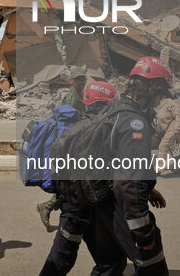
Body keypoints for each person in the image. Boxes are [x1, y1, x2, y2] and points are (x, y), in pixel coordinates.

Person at [41, 81, 123, 275]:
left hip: (77, 206)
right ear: (106, 105)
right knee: (63, 261)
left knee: (109, 260)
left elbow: (57, 172)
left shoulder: (75, 129)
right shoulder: (105, 131)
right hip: (84, 208)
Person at [107, 56, 172, 276]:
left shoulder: (115, 110)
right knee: (153, 268)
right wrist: (144, 236)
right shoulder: (135, 123)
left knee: (110, 266)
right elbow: (127, 184)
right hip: (123, 210)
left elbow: (117, 162)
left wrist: (148, 187)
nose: (161, 97)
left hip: (107, 206)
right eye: (161, 90)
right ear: (151, 87)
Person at [37, 66, 88, 229]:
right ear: (71, 80)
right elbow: (68, 126)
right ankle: (50, 206)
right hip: (69, 146)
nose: (81, 82)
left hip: (73, 144)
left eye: (82, 79)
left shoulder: (78, 96)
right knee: (72, 182)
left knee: (73, 182)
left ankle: (50, 206)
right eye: (78, 79)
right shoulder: (72, 98)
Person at [155, 91, 180, 174]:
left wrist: (177, 128)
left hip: (173, 129)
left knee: (163, 147)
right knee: (176, 149)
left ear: (160, 95)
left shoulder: (170, 103)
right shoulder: (162, 105)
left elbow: (178, 115)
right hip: (168, 130)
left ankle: (158, 169)